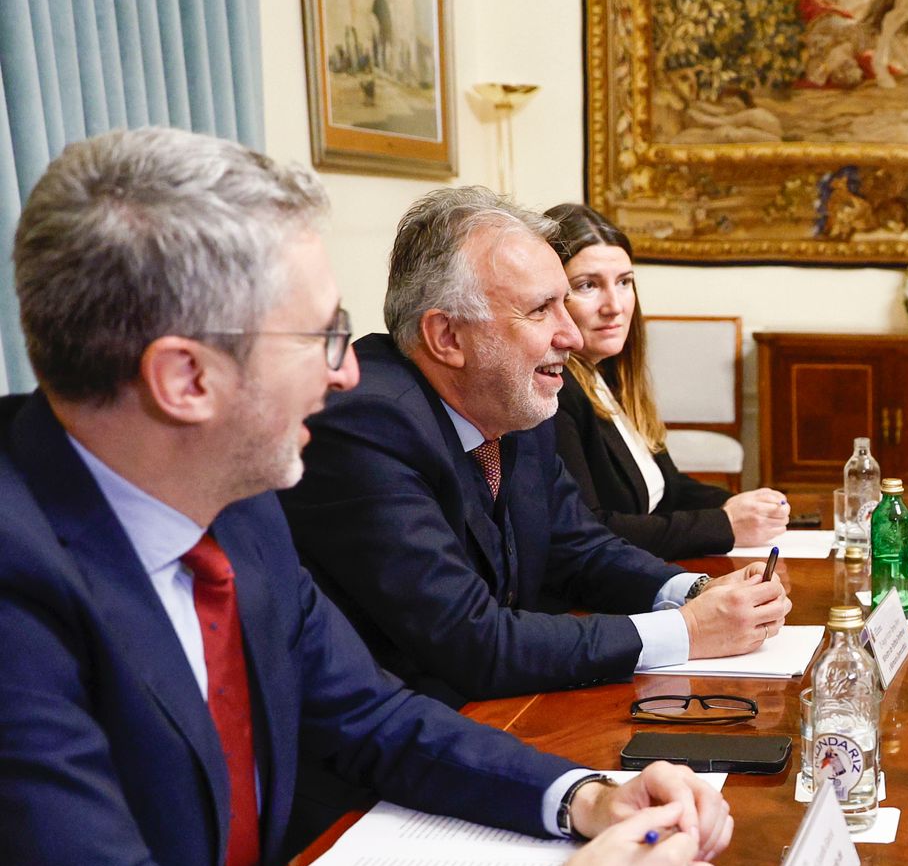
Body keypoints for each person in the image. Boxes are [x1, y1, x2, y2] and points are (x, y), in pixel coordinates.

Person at [0, 129, 732, 866]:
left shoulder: (237, 499)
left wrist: (585, 797)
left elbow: (374, 718)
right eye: (321, 339)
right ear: (186, 380)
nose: (348, 376)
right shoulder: (17, 574)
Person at [279, 187, 790, 708]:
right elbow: (472, 641)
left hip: (493, 712)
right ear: (447, 337)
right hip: (395, 747)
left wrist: (696, 593)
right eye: (542, 310)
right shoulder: (365, 424)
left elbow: (577, 546)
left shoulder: (513, 398)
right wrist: (687, 632)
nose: (570, 336)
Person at [543, 202, 790, 560]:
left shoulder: (609, 373)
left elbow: (668, 488)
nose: (615, 305)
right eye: (587, 285)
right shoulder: (556, 392)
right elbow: (590, 530)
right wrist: (724, 524)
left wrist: (739, 504)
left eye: (624, 282)